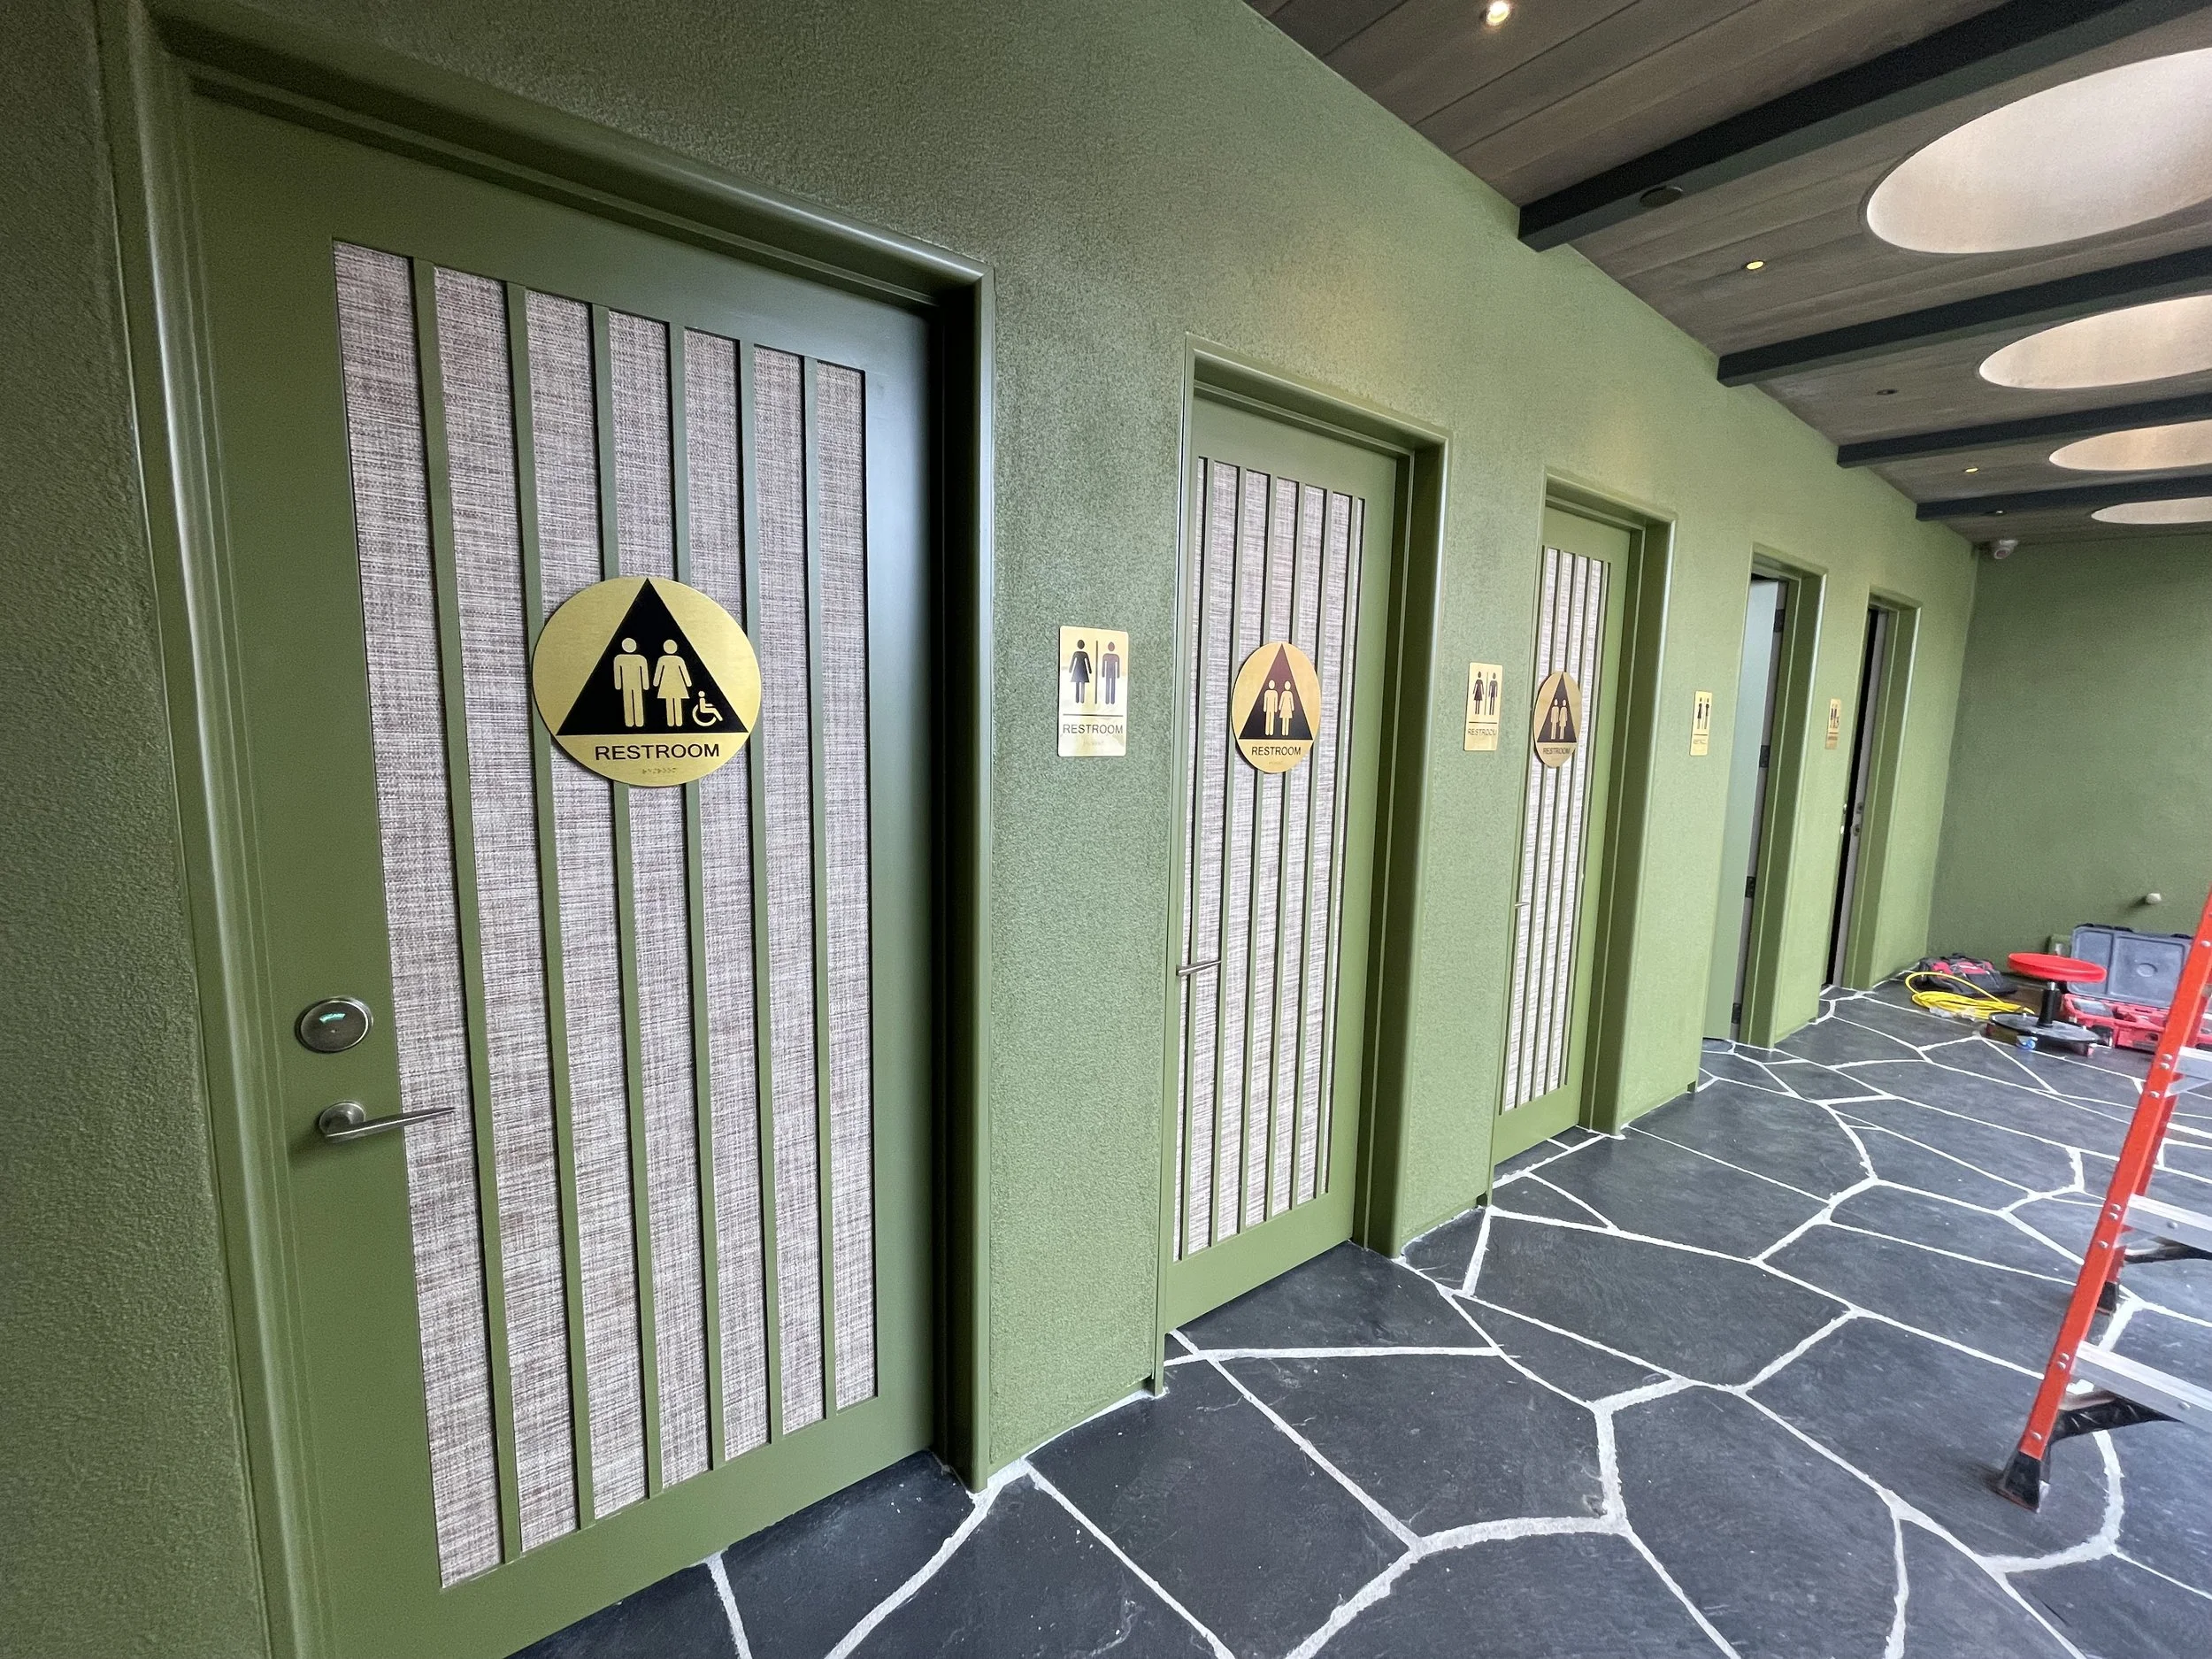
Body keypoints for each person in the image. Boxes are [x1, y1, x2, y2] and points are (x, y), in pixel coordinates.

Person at [654, 640, 693, 727]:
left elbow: (658, 673)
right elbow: (684, 672)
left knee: (671, 702)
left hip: (668, 684)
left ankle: (673, 722)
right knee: (675, 702)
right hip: (674, 684)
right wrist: (688, 683)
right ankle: (676, 722)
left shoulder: (663, 659)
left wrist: (656, 683)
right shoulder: (677, 659)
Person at [613, 637, 650, 728]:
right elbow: (618, 673)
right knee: (628, 702)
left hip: (636, 684)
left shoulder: (640, 659)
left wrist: (646, 685)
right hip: (628, 684)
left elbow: (644, 673)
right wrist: (618, 685)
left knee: (636, 701)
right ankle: (630, 722)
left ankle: (639, 722)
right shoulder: (619, 659)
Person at [1067, 637, 1093, 708]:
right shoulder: (1083, 654)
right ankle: (1079, 699)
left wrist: (1070, 669)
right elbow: (1087, 663)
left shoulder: (1078, 653)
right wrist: (1090, 670)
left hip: (1078, 669)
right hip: (1081, 669)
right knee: (1081, 685)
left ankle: (1079, 699)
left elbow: (1073, 662)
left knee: (1079, 684)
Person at [1099, 638, 1120, 709]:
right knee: (1108, 686)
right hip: (1109, 673)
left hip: (1112, 673)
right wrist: (1102, 673)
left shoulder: (1115, 656)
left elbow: (1118, 666)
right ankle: (1108, 700)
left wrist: (1118, 674)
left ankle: (1112, 700)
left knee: (1112, 686)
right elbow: (1103, 665)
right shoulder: (1106, 656)